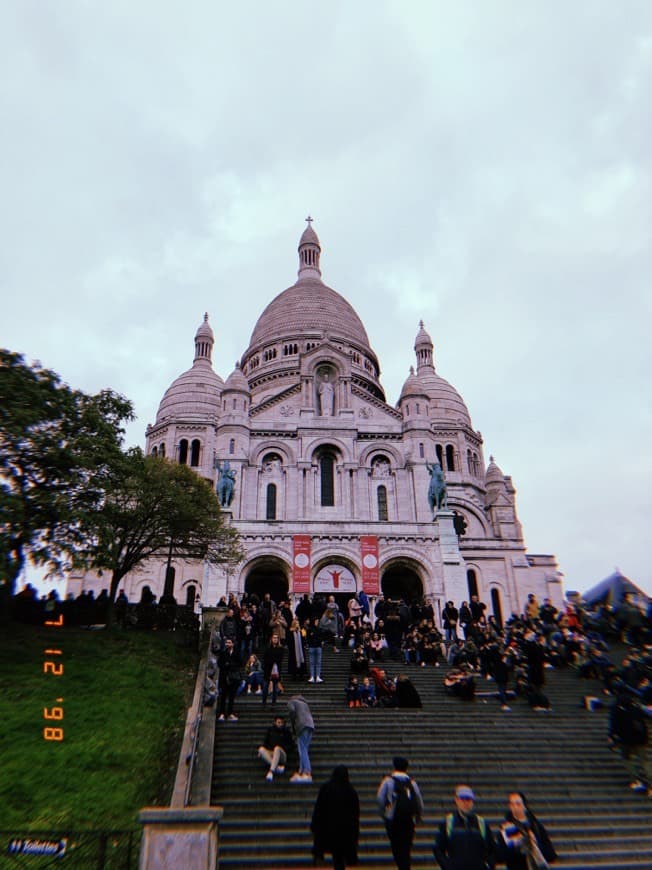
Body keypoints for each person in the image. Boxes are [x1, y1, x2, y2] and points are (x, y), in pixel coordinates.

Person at [377, 756, 424, 870]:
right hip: (408, 818)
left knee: (396, 845)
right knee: (406, 846)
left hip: (393, 818)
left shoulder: (388, 781)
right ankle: (405, 865)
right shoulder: (412, 782)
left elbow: (380, 798)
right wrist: (418, 814)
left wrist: (384, 812)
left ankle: (401, 865)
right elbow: (419, 800)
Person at [433, 784, 495, 870]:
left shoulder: (481, 823)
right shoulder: (448, 823)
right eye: (462, 799)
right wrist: (447, 866)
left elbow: (492, 849)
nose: (465, 803)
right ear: (457, 800)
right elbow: (438, 849)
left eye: (468, 799)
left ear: (472, 802)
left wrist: (488, 865)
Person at [311, 765, 360, 869]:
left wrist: (315, 825)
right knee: (340, 857)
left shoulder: (326, 788)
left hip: (329, 829)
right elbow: (355, 815)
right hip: (345, 831)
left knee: (336, 856)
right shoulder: (351, 791)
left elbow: (319, 808)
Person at [496, 791, 557, 869]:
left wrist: (534, 843)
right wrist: (514, 843)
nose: (515, 807)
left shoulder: (535, 825)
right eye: (512, 804)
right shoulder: (505, 828)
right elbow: (500, 856)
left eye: (518, 804)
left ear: (524, 806)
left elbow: (550, 853)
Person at [257, 714, 294, 782]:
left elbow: (291, 745)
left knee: (277, 748)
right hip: (272, 753)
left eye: (281, 723)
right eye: (278, 722)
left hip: (282, 754)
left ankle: (271, 771)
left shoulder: (286, 732)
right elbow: (265, 742)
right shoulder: (270, 731)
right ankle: (276, 767)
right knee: (261, 749)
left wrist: (284, 749)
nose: (280, 724)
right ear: (275, 723)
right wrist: (261, 751)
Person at [287, 694, 314, 783]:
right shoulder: (304, 703)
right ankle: (301, 770)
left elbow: (291, 711)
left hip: (301, 725)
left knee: (302, 749)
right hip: (310, 725)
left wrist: (293, 723)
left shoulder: (291, 702)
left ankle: (306, 771)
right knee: (304, 749)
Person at [217, 637, 241, 722]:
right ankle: (222, 713)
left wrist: (230, 664)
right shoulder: (223, 653)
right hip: (225, 677)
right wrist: (226, 665)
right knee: (223, 696)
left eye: (229, 642)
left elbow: (240, 663)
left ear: (233, 644)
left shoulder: (237, 653)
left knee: (232, 697)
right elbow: (219, 663)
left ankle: (230, 713)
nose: (227, 644)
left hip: (234, 677)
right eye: (226, 642)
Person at [262, 633, 285, 706]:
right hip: (267, 670)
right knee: (265, 687)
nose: (275, 639)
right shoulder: (267, 648)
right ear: (271, 639)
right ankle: (264, 702)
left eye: (276, 638)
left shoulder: (280, 649)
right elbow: (265, 658)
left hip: (276, 670)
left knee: (275, 688)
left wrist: (272, 661)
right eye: (274, 638)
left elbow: (280, 659)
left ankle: (273, 703)